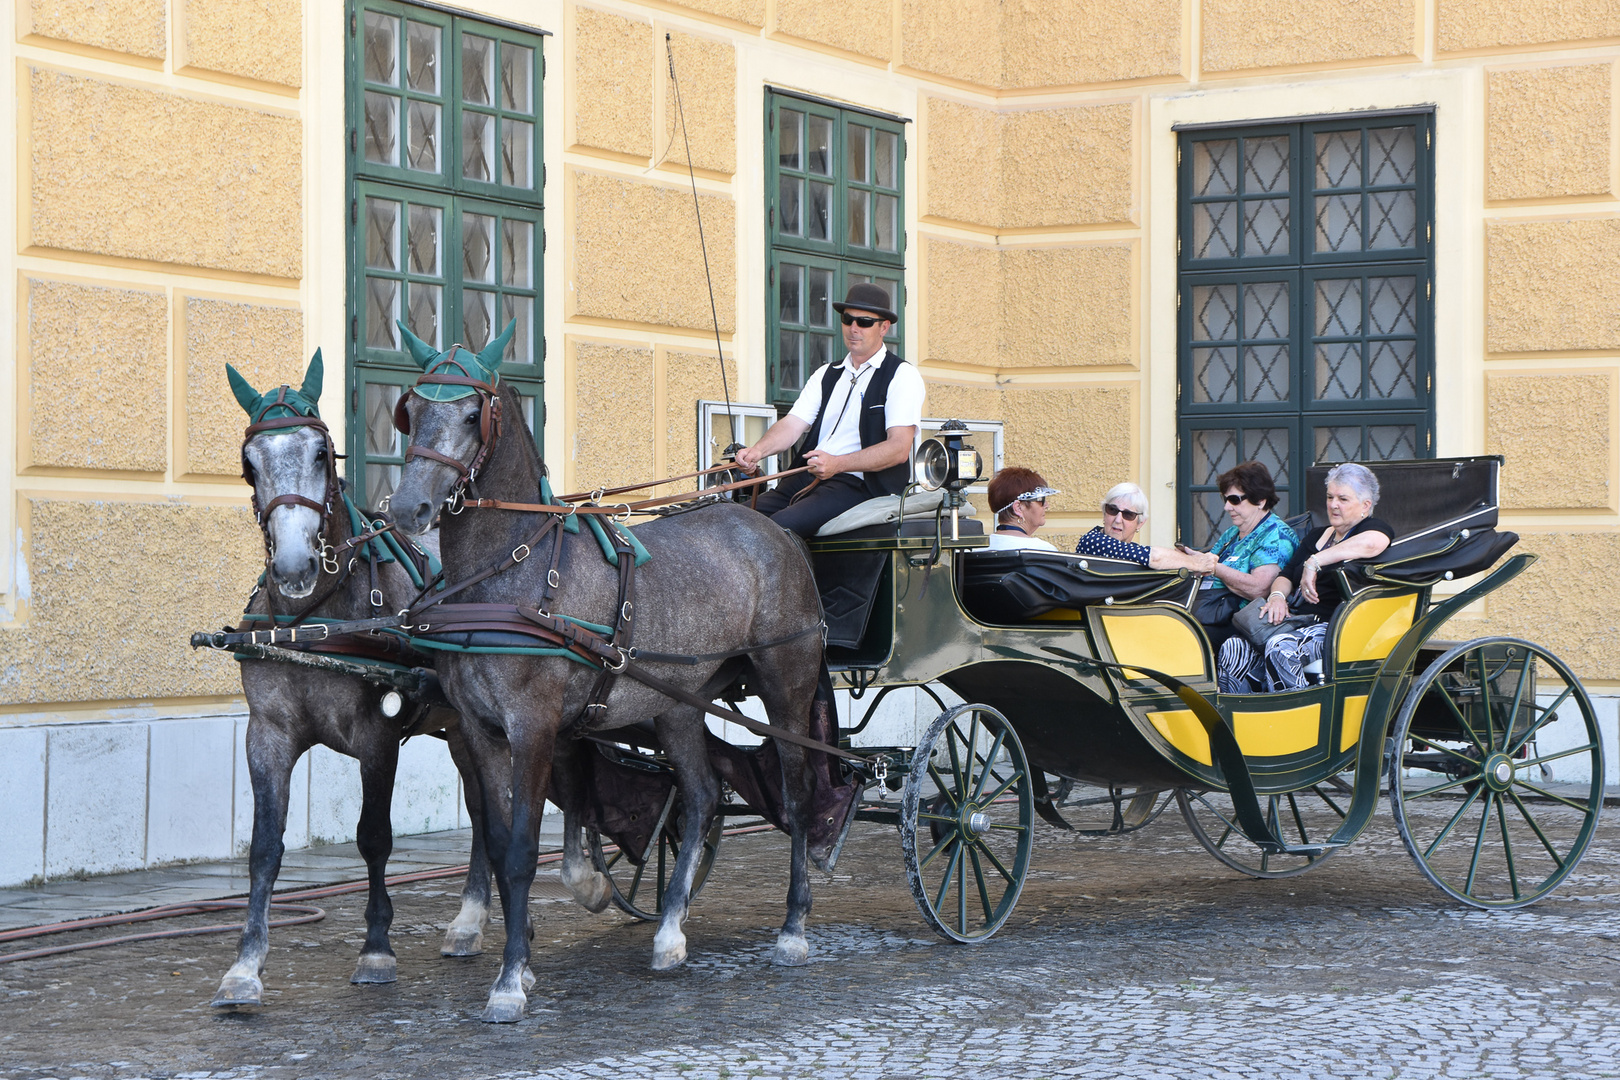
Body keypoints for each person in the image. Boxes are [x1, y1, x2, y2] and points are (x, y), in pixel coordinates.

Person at [735, 283, 925, 536]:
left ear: (884, 327)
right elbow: (793, 424)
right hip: (805, 477)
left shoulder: (902, 375)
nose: (854, 328)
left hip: (858, 485)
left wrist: (838, 464)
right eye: (848, 319)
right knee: (731, 520)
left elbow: (898, 449)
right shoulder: (827, 373)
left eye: (865, 322)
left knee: (775, 530)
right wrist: (757, 451)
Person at [1218, 463, 1394, 694]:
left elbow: (1374, 543)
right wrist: (1278, 596)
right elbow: (1286, 575)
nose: (1333, 505)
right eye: (1330, 497)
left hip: (1337, 627)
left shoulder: (1372, 528)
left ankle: (1294, 719)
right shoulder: (1317, 535)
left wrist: (1314, 562)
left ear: (1365, 505)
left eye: (1343, 499)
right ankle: (1241, 720)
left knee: (1281, 648)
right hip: (1297, 620)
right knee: (1233, 646)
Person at [1196, 461, 1299, 649]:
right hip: (1210, 612)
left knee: (1186, 638)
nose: (1227, 507)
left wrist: (1215, 568)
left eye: (1235, 500)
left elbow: (1260, 589)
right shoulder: (1232, 533)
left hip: (1240, 622)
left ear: (1260, 500)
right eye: (1225, 499)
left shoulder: (1275, 536)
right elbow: (1208, 566)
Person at [1073, 482, 1219, 573]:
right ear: (1104, 513)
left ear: (1140, 523)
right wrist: (1197, 563)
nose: (1118, 520)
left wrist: (1187, 563)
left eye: (1128, 514)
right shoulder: (1092, 541)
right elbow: (1155, 557)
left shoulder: (1130, 550)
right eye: (1112, 510)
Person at [986, 467, 1060, 551]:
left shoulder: (978, 548)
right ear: (1018, 508)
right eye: (1040, 500)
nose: (1046, 505)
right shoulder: (1043, 550)